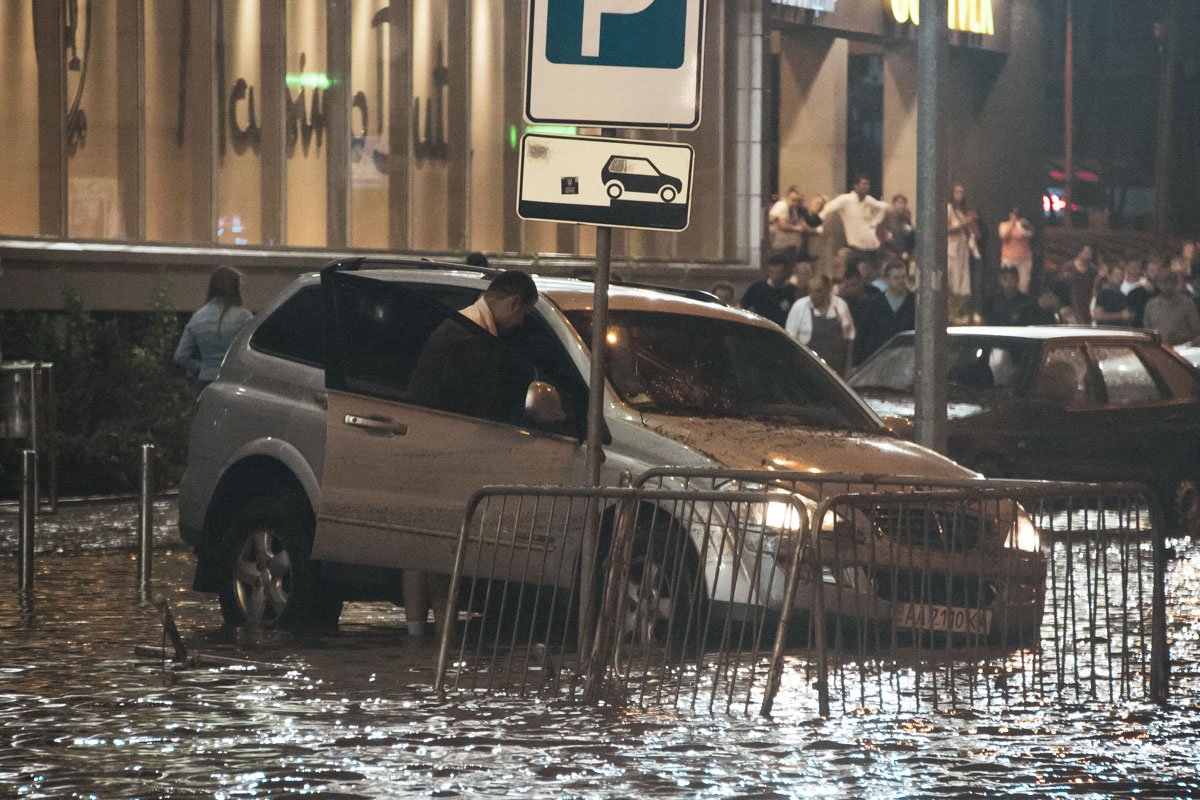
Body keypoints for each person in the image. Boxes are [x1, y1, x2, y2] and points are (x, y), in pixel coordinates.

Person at [405, 270, 541, 637]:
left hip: (431, 448)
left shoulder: (463, 327)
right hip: (442, 454)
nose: (520, 323)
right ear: (513, 302)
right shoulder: (468, 337)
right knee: (434, 552)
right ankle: (434, 642)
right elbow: (483, 407)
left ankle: (425, 639)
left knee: (428, 551)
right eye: (523, 314)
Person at [174, 266, 254, 392]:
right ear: (236, 289)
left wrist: (201, 367)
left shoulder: (198, 317)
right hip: (233, 381)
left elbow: (180, 356)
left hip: (205, 382)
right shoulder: (244, 317)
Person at [785, 274, 855, 375]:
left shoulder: (840, 306)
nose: (813, 295)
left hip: (836, 372)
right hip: (806, 371)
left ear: (827, 290)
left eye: (818, 291)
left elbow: (849, 340)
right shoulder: (800, 307)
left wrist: (848, 371)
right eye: (810, 291)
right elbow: (790, 340)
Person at [820, 175, 889, 275]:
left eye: (868, 184)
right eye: (864, 184)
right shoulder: (845, 199)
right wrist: (818, 225)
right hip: (855, 247)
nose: (866, 187)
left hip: (872, 246)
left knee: (873, 275)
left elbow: (883, 207)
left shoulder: (869, 200)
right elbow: (827, 208)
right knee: (858, 274)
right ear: (855, 186)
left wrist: (874, 222)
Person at [856, 259, 916, 363]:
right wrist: (856, 362)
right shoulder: (875, 303)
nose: (901, 281)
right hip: (878, 359)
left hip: (904, 358)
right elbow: (863, 333)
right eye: (896, 278)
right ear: (887, 279)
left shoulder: (914, 302)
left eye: (903, 277)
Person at [947, 184, 979, 323]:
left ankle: (961, 312)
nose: (960, 195)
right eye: (957, 192)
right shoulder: (949, 208)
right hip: (952, 249)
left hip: (963, 249)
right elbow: (946, 228)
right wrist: (965, 222)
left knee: (963, 282)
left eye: (962, 192)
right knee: (953, 281)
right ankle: (951, 313)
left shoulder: (963, 210)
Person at [1143, 270, 1200, 345]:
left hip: (1183, 349)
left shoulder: (1187, 303)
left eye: (1170, 281)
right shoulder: (1151, 305)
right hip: (1159, 350)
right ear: (1157, 284)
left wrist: (1180, 338)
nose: (1167, 285)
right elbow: (1147, 332)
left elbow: (1196, 330)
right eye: (1163, 282)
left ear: (1175, 283)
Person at [740, 256, 796, 327]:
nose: (775, 276)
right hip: (760, 330)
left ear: (785, 272)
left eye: (779, 273)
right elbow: (743, 307)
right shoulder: (757, 288)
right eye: (772, 272)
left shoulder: (791, 291)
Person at [766, 186, 807, 271]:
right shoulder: (782, 205)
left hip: (788, 247)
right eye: (793, 199)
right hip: (779, 247)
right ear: (787, 197)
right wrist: (797, 228)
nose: (795, 203)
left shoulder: (793, 209)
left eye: (797, 200)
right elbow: (783, 225)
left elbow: (796, 222)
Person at [998, 208, 1034, 294]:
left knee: (1023, 285)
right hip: (1009, 259)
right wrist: (1012, 223)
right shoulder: (1003, 225)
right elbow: (1004, 236)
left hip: (1024, 260)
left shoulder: (1022, 225)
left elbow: (1030, 234)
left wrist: (1023, 225)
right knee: (1008, 284)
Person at [878, 194, 915, 263]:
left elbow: (911, 236)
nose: (902, 205)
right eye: (900, 203)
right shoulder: (888, 218)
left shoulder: (906, 219)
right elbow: (889, 239)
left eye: (904, 203)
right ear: (894, 204)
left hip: (905, 254)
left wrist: (908, 252)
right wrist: (901, 253)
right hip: (891, 254)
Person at [1119, 258, 1153, 327]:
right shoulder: (1121, 283)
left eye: (1136, 266)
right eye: (1131, 266)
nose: (1133, 269)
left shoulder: (1146, 282)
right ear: (1126, 267)